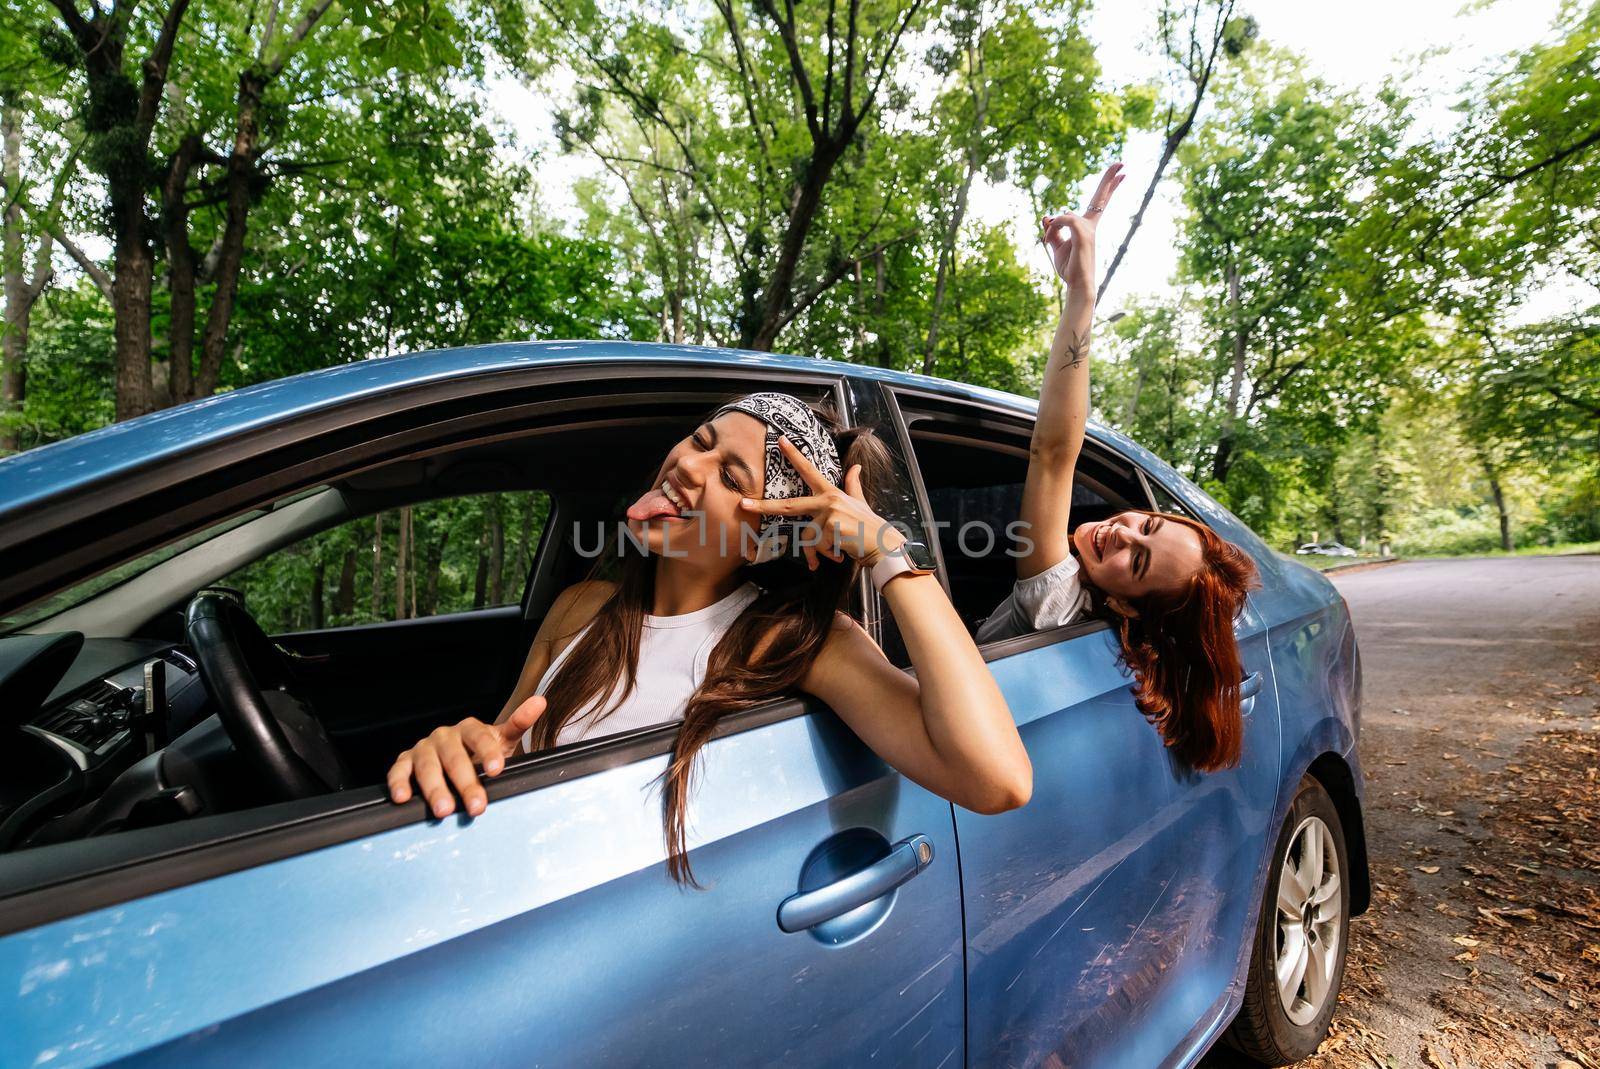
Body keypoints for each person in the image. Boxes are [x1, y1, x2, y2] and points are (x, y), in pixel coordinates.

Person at [386, 392, 1032, 883]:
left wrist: (885, 550)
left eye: (730, 477)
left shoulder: (790, 642)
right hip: (503, 884)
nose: (688, 465)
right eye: (698, 441)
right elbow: (496, 751)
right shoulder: (579, 606)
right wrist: (453, 748)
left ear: (764, 538)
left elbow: (997, 778)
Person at [977, 162, 1260, 772]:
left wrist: (1082, 293)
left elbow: (1053, 452)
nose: (1122, 532)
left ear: (1128, 607)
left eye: (1137, 561)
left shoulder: (1058, 600)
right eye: (1147, 527)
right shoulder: (1094, 598)